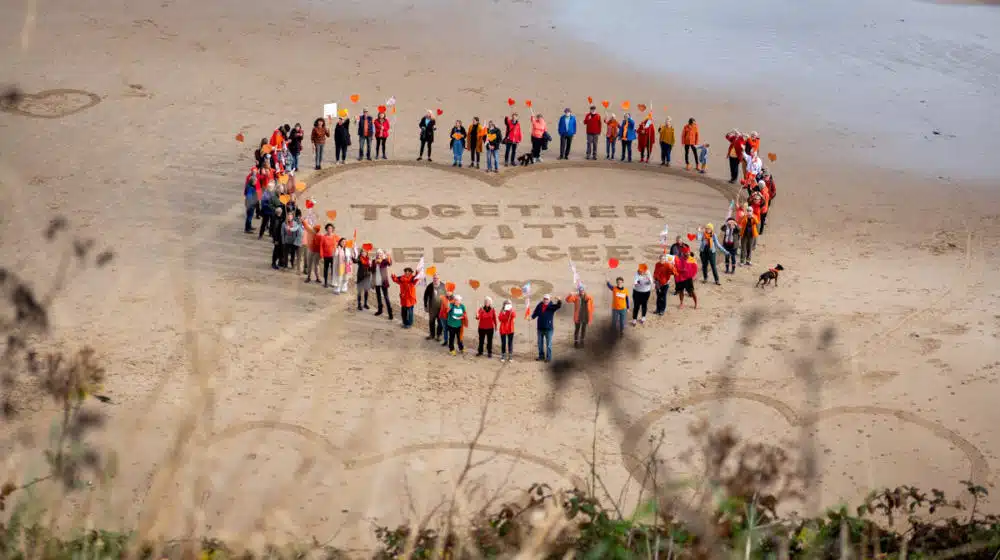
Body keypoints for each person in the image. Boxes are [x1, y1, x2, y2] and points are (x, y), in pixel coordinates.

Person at [530, 294, 561, 362]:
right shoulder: (539, 305)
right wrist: (531, 317)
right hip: (540, 328)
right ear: (543, 299)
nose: (545, 300)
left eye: (547, 299)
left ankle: (548, 358)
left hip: (549, 329)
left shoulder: (552, 306)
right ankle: (541, 356)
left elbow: (558, 306)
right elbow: (536, 312)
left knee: (548, 344)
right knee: (540, 343)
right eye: (544, 299)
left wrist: (559, 300)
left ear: (549, 300)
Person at [423, 274, 446, 340]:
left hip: (441, 308)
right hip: (432, 308)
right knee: (431, 322)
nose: (435, 280)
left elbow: (447, 296)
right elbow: (425, 296)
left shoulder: (443, 286)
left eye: (437, 278)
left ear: (439, 279)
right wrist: (425, 306)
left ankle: (438, 335)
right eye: (434, 278)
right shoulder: (430, 286)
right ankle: (432, 335)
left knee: (440, 322)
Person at [372, 249, 393, 320]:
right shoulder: (374, 261)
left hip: (383, 282)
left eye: (380, 253)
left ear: (382, 254)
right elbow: (372, 270)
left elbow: (389, 263)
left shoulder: (384, 261)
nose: (379, 255)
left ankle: (390, 313)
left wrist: (388, 256)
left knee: (386, 297)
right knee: (378, 296)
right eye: (378, 253)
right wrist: (370, 266)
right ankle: (380, 310)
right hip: (377, 282)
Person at [243, 168, 259, 233]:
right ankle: (247, 229)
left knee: (250, 216)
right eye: (255, 181)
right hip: (250, 204)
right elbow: (249, 197)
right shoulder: (250, 188)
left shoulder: (249, 186)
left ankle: (249, 226)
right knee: (249, 216)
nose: (256, 182)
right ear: (253, 182)